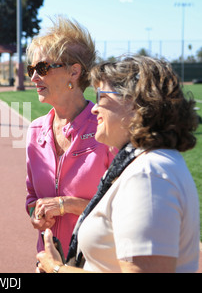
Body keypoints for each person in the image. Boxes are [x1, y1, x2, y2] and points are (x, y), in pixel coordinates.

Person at [37, 55, 200, 273]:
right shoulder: (147, 164)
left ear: (137, 104)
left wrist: (56, 269)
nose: (95, 108)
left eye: (101, 96)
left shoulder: (148, 175)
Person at [25, 16, 114, 256]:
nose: (33, 77)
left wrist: (67, 205)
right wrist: (37, 215)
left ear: (74, 72)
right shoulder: (35, 131)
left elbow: (125, 210)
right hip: (48, 261)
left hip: (97, 264)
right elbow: (32, 198)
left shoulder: (107, 130)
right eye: (31, 69)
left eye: (42, 68)